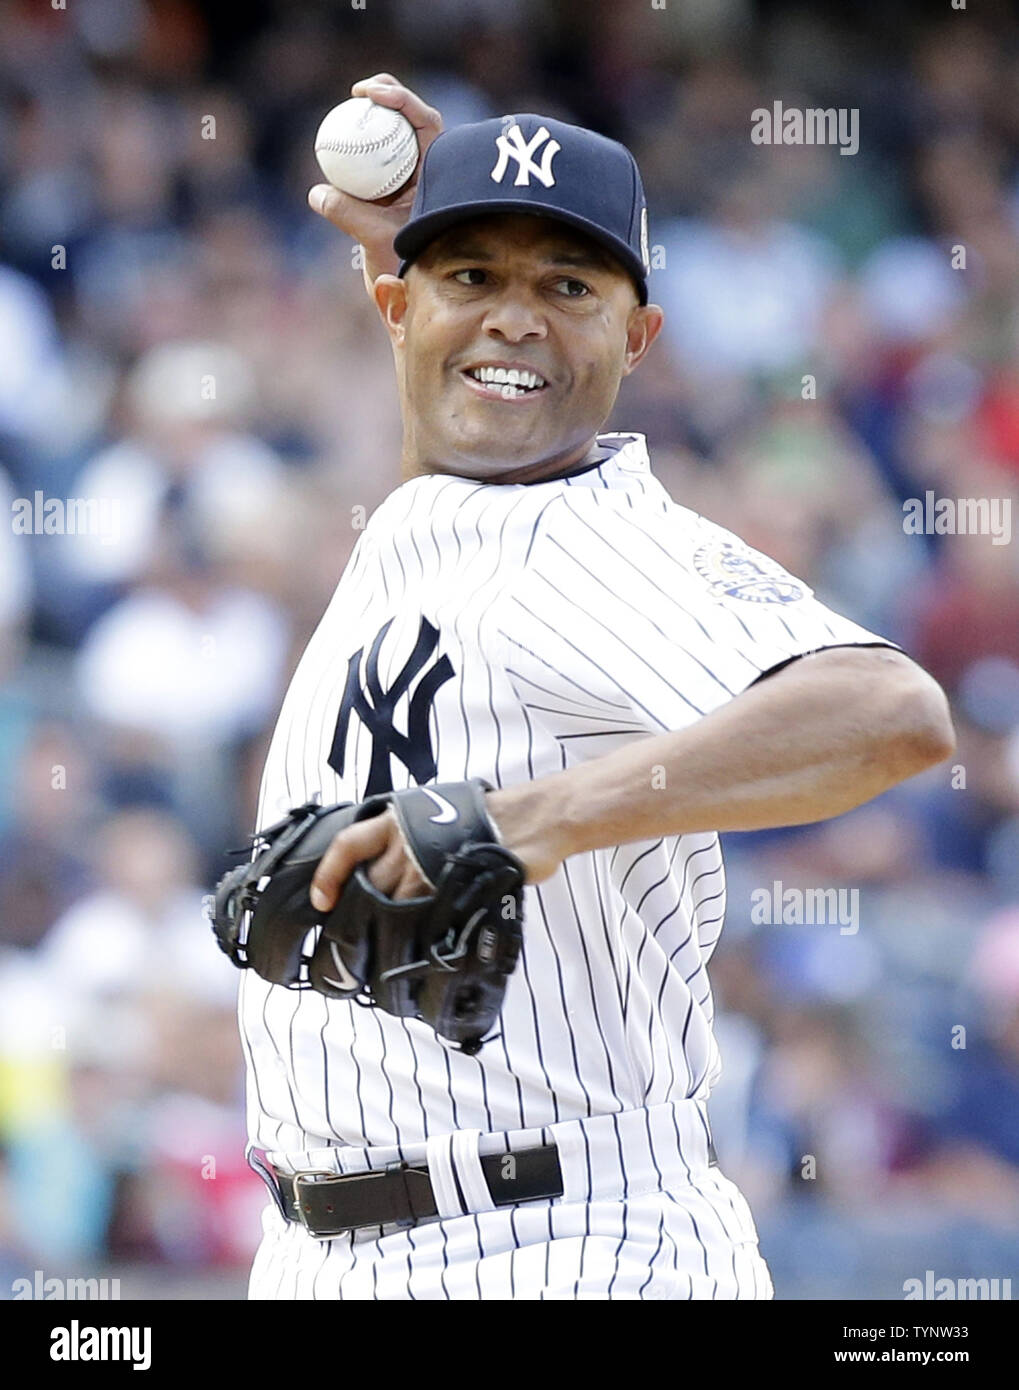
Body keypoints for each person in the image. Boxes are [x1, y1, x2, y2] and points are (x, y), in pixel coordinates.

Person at [239, 73, 955, 1300]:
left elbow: (888, 715)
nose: (516, 319)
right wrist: (418, 247)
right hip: (342, 1250)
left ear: (637, 339)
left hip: (558, 1245)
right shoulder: (441, 512)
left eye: (567, 288)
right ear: (394, 304)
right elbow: (468, 361)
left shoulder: (583, 537)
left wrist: (536, 817)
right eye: (473, 277)